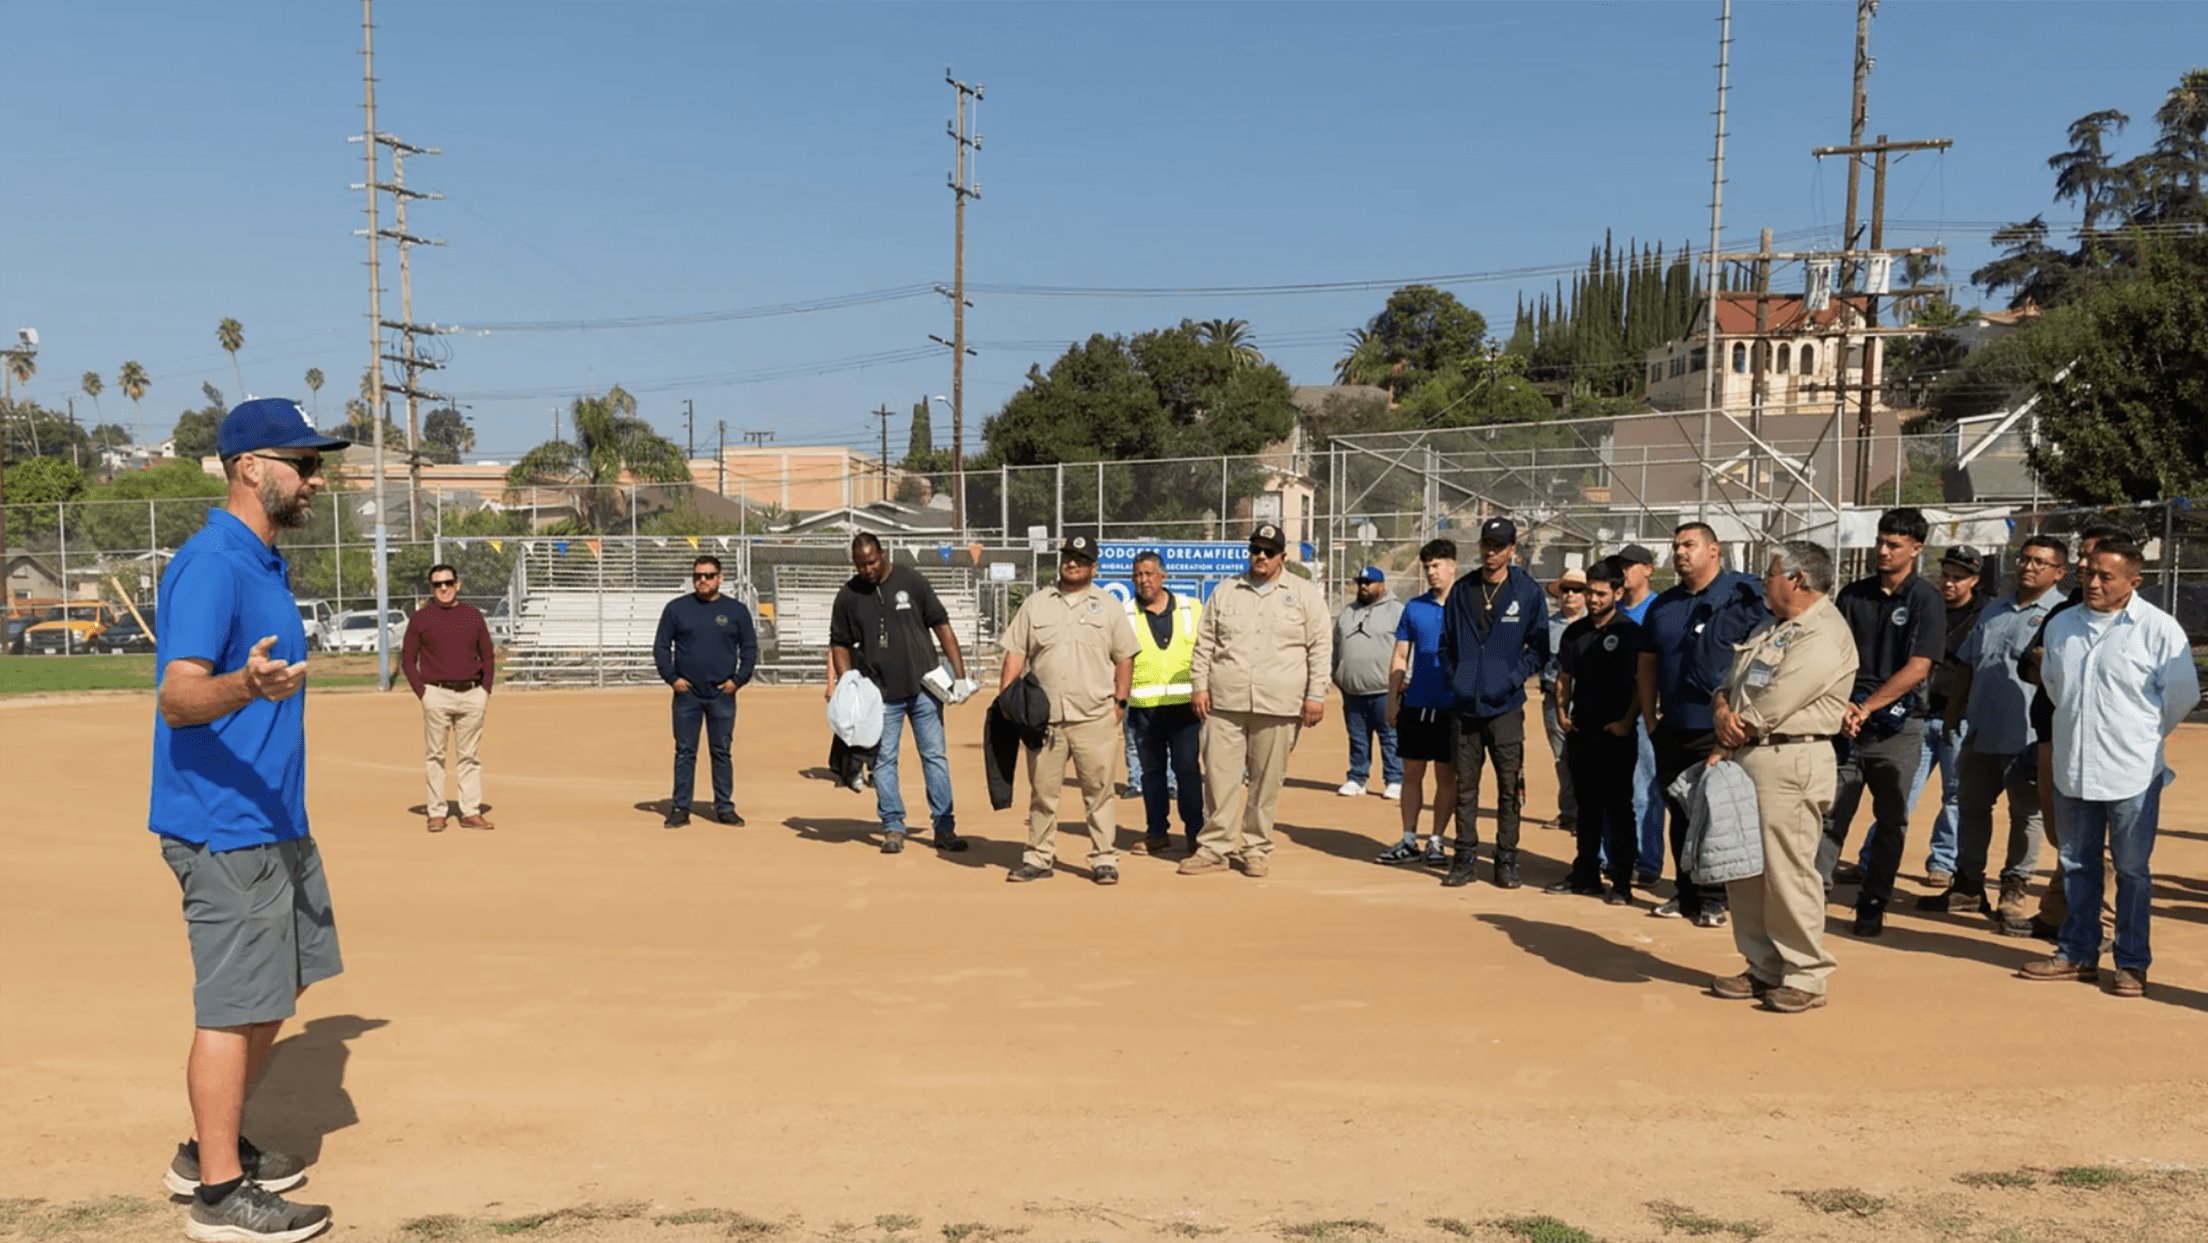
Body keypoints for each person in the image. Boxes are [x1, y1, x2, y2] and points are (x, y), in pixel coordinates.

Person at [151, 398, 349, 1242]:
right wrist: (246, 686)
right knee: (233, 1005)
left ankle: (208, 1147)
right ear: (248, 467)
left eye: (316, 464)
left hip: (275, 820)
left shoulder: (263, 562)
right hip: (222, 825)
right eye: (300, 463)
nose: (315, 478)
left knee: (284, 983)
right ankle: (220, 1196)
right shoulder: (214, 563)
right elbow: (177, 695)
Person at [2018, 537, 2200, 999]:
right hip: (2074, 767)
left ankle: (2132, 963)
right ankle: (2077, 953)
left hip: (2133, 773)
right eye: (2087, 573)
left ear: (2133, 582)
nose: (2093, 582)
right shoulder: (2063, 626)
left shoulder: (2158, 630)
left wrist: (2137, 736)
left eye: (2105, 576)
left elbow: (2181, 697)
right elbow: (2057, 689)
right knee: (2077, 862)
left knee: (2133, 869)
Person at [1707, 540, 1858, 1014]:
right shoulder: (1774, 628)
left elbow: (1777, 701)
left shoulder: (1825, 633)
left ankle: (1807, 974)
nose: (1763, 581)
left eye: (1771, 572)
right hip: (1749, 754)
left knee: (1788, 869)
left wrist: (1732, 729)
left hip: (1791, 759)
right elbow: (1730, 680)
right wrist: (1720, 706)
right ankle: (1763, 966)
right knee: (1746, 869)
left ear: (1798, 579)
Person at [1921, 537, 2064, 928]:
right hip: (1980, 732)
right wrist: (1953, 713)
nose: (2028, 567)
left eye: (2039, 562)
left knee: (2026, 814)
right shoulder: (1994, 609)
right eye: (2024, 559)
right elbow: (1966, 663)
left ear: (2059, 572)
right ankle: (1967, 886)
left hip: (2030, 739)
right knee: (1969, 808)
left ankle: (2015, 886)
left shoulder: (2062, 615)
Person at [1817, 507, 1945, 937]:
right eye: (1880, 541)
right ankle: (1814, 896)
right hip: (1846, 723)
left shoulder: (1925, 600)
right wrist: (1843, 709)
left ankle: (1873, 901)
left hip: (1898, 725)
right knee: (1830, 815)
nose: (1884, 550)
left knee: (1891, 818)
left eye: (1894, 544)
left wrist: (1868, 706)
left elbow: (1919, 666)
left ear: (1916, 548)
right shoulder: (1853, 596)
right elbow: (1831, 655)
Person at [1636, 522, 1766, 927]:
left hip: (1721, 730)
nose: (1680, 553)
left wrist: (1738, 722)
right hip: (1673, 726)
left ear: (1714, 550)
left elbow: (1759, 663)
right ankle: (1687, 892)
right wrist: (1650, 718)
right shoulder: (1665, 604)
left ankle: (1715, 898)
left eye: (1689, 545)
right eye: (1676, 546)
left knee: (1718, 812)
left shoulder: (1742, 600)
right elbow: (1647, 663)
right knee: (1679, 810)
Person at [1181, 522, 1330, 878]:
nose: (1260, 557)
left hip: (1279, 703)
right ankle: (1215, 848)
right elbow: (1205, 644)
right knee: (1219, 778)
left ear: (1282, 556)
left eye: (1268, 551)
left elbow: (1320, 647)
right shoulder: (1226, 590)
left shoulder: (1305, 594)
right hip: (1225, 702)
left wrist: (1315, 695)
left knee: (1266, 781)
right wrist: (1199, 686)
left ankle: (1255, 847)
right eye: (1256, 550)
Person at [999, 536, 1139, 884]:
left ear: (1094, 567)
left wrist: (1119, 702)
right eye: (1067, 557)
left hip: (1094, 716)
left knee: (1099, 792)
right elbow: (1016, 651)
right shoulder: (1036, 605)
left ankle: (1104, 858)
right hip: (1044, 720)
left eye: (1081, 559)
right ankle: (1039, 856)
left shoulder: (1108, 606)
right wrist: (1005, 697)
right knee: (1043, 793)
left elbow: (1124, 655)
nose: (1072, 563)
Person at [2012, 523, 2126, 939]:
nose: (2083, 565)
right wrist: (2048, 664)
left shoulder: (2133, 622)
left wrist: (2059, 666)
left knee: (2104, 839)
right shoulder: (2062, 614)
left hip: (2107, 745)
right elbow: (2028, 667)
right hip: (2053, 736)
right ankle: (2056, 913)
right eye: (2082, 557)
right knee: (2066, 833)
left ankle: (2106, 925)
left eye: (2093, 558)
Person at [829, 533, 975, 854]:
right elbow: (839, 642)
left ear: (883, 554)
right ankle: (893, 826)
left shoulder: (913, 580)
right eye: (860, 564)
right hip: (879, 695)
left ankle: (944, 827)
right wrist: (847, 681)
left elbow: (942, 627)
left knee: (934, 757)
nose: (867, 569)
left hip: (924, 690)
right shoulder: (848, 595)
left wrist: (960, 676)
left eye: (872, 562)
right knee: (883, 761)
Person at [1437, 517, 1549, 889]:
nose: (1490, 551)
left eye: (1499, 546)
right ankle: (1464, 859)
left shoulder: (1527, 592)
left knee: (1508, 789)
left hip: (1505, 708)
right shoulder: (1462, 591)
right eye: (1486, 544)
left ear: (1512, 551)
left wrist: (1511, 679)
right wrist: (1457, 680)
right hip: (1465, 708)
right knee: (1465, 788)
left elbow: (1539, 649)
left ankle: (1506, 861)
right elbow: (1446, 644)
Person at [1547, 562, 1642, 905]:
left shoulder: (1630, 633)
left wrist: (1627, 721)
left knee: (1619, 808)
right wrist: (1561, 710)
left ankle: (1621, 883)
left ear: (1618, 593)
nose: (1593, 599)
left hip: (1616, 734)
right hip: (1582, 731)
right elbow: (1564, 676)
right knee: (1585, 808)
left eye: (1601, 593)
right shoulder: (1575, 632)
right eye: (1590, 592)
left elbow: (1640, 683)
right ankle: (1585, 875)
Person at [1894, 545, 1985, 887]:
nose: (1949, 583)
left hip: (1958, 720)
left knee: (1956, 796)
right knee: (1900, 792)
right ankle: (1873, 858)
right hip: (1917, 715)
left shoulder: (1983, 614)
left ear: (1973, 580)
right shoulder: (1927, 607)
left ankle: (1943, 863)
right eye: (1945, 575)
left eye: (1959, 578)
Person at [654, 554, 759, 829]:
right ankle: (680, 807)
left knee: (722, 750)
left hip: (722, 694)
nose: (703, 580)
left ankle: (724, 807)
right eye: (698, 575)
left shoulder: (736, 611)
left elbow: (749, 648)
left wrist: (738, 680)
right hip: (687, 694)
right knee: (685, 752)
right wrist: (672, 678)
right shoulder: (677, 609)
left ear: (720, 577)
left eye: (709, 575)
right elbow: (661, 647)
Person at [1381, 539, 1460, 866]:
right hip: (1416, 704)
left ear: (1452, 566)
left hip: (1453, 706)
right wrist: (1392, 700)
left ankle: (1437, 841)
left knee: (1447, 777)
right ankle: (1409, 839)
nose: (1431, 572)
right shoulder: (1414, 607)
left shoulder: (1466, 605)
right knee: (1410, 774)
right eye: (1427, 566)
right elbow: (1401, 655)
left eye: (1437, 565)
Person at [401, 563, 497, 833]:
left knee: (469, 756)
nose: (443, 588)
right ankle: (436, 812)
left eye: (448, 583)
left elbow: (488, 654)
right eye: (437, 584)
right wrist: (424, 693)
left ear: (457, 584)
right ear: (431, 588)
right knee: (436, 756)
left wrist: (485, 690)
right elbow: (408, 658)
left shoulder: (473, 616)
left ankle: (470, 811)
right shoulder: (421, 618)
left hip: (472, 694)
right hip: (437, 694)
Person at [1124, 550, 1203, 855]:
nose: (1142, 580)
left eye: (1148, 574)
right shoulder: (1125, 613)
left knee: (1187, 769)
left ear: (1163, 576)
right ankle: (1157, 832)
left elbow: (1209, 649)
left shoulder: (1191, 608)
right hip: (1144, 709)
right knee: (1151, 773)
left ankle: (1196, 832)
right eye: (1137, 575)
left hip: (1186, 707)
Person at [1609, 542, 1668, 884]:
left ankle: (1647, 863)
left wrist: (1650, 712)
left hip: (1647, 711)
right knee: (1609, 788)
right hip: (1610, 709)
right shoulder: (1612, 610)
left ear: (1648, 569)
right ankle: (1612, 857)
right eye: (1620, 565)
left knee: (1644, 789)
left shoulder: (1658, 609)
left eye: (1631, 565)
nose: (1624, 571)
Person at [1333, 566, 1404, 799]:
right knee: (1357, 737)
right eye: (1361, 582)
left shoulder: (1397, 611)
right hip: (1352, 690)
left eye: (1370, 582)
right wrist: (1337, 673)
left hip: (1386, 689)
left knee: (1390, 737)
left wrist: (1405, 679)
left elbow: (1407, 648)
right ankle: (1357, 777)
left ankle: (1394, 779)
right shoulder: (1347, 612)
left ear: (1381, 586)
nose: (1364, 586)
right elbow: (1336, 645)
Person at [1538, 568, 1588, 835]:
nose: (1570, 595)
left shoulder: (1596, 624)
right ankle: (1568, 811)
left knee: (1585, 757)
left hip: (1586, 700)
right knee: (1561, 757)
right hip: (1553, 698)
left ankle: (1587, 814)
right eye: (1566, 590)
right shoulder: (1548, 626)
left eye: (1577, 590)